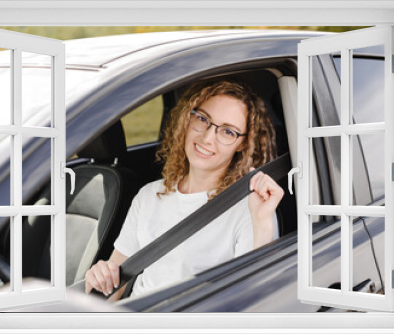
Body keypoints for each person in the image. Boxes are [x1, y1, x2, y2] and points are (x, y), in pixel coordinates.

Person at [85, 80, 284, 300]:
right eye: (202, 119)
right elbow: (113, 289)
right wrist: (99, 277)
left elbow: (256, 297)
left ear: (243, 145)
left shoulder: (252, 209)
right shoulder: (149, 195)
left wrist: (262, 222)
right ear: (186, 119)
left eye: (228, 132)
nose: (208, 138)